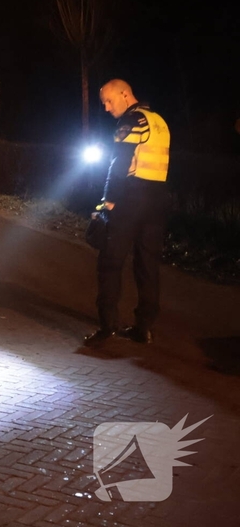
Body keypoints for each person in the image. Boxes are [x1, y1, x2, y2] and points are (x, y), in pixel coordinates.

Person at [84, 79, 171, 347]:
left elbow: (119, 164)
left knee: (110, 262)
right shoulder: (159, 122)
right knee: (148, 266)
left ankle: (108, 325)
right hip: (157, 201)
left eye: (109, 101)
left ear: (125, 94)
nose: (107, 108)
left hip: (130, 199)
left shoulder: (131, 122)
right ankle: (143, 328)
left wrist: (108, 202)